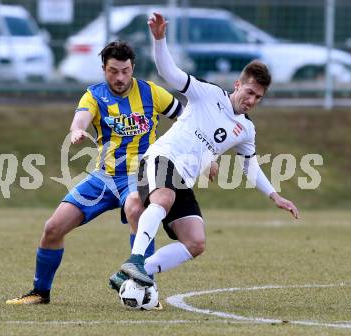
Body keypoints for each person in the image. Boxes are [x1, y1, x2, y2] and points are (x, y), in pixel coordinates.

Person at [115, 13, 299, 287]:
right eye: (249, 92)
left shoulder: (246, 130)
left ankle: (129, 276)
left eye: (258, 97)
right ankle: (136, 260)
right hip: (161, 158)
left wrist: (275, 195)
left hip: (183, 180)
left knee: (196, 242)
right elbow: (170, 74)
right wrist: (159, 40)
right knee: (162, 200)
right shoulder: (208, 93)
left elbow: (249, 165)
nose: (251, 100)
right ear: (238, 84)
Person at [6, 40, 183, 305]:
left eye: (125, 70)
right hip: (104, 177)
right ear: (103, 69)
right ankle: (40, 292)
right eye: (113, 71)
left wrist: (196, 151)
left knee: (136, 209)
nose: (120, 77)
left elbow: (185, 117)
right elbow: (80, 119)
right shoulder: (94, 95)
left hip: (140, 175)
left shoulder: (151, 92)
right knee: (53, 228)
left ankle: (146, 288)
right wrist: (77, 130)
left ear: (133, 68)